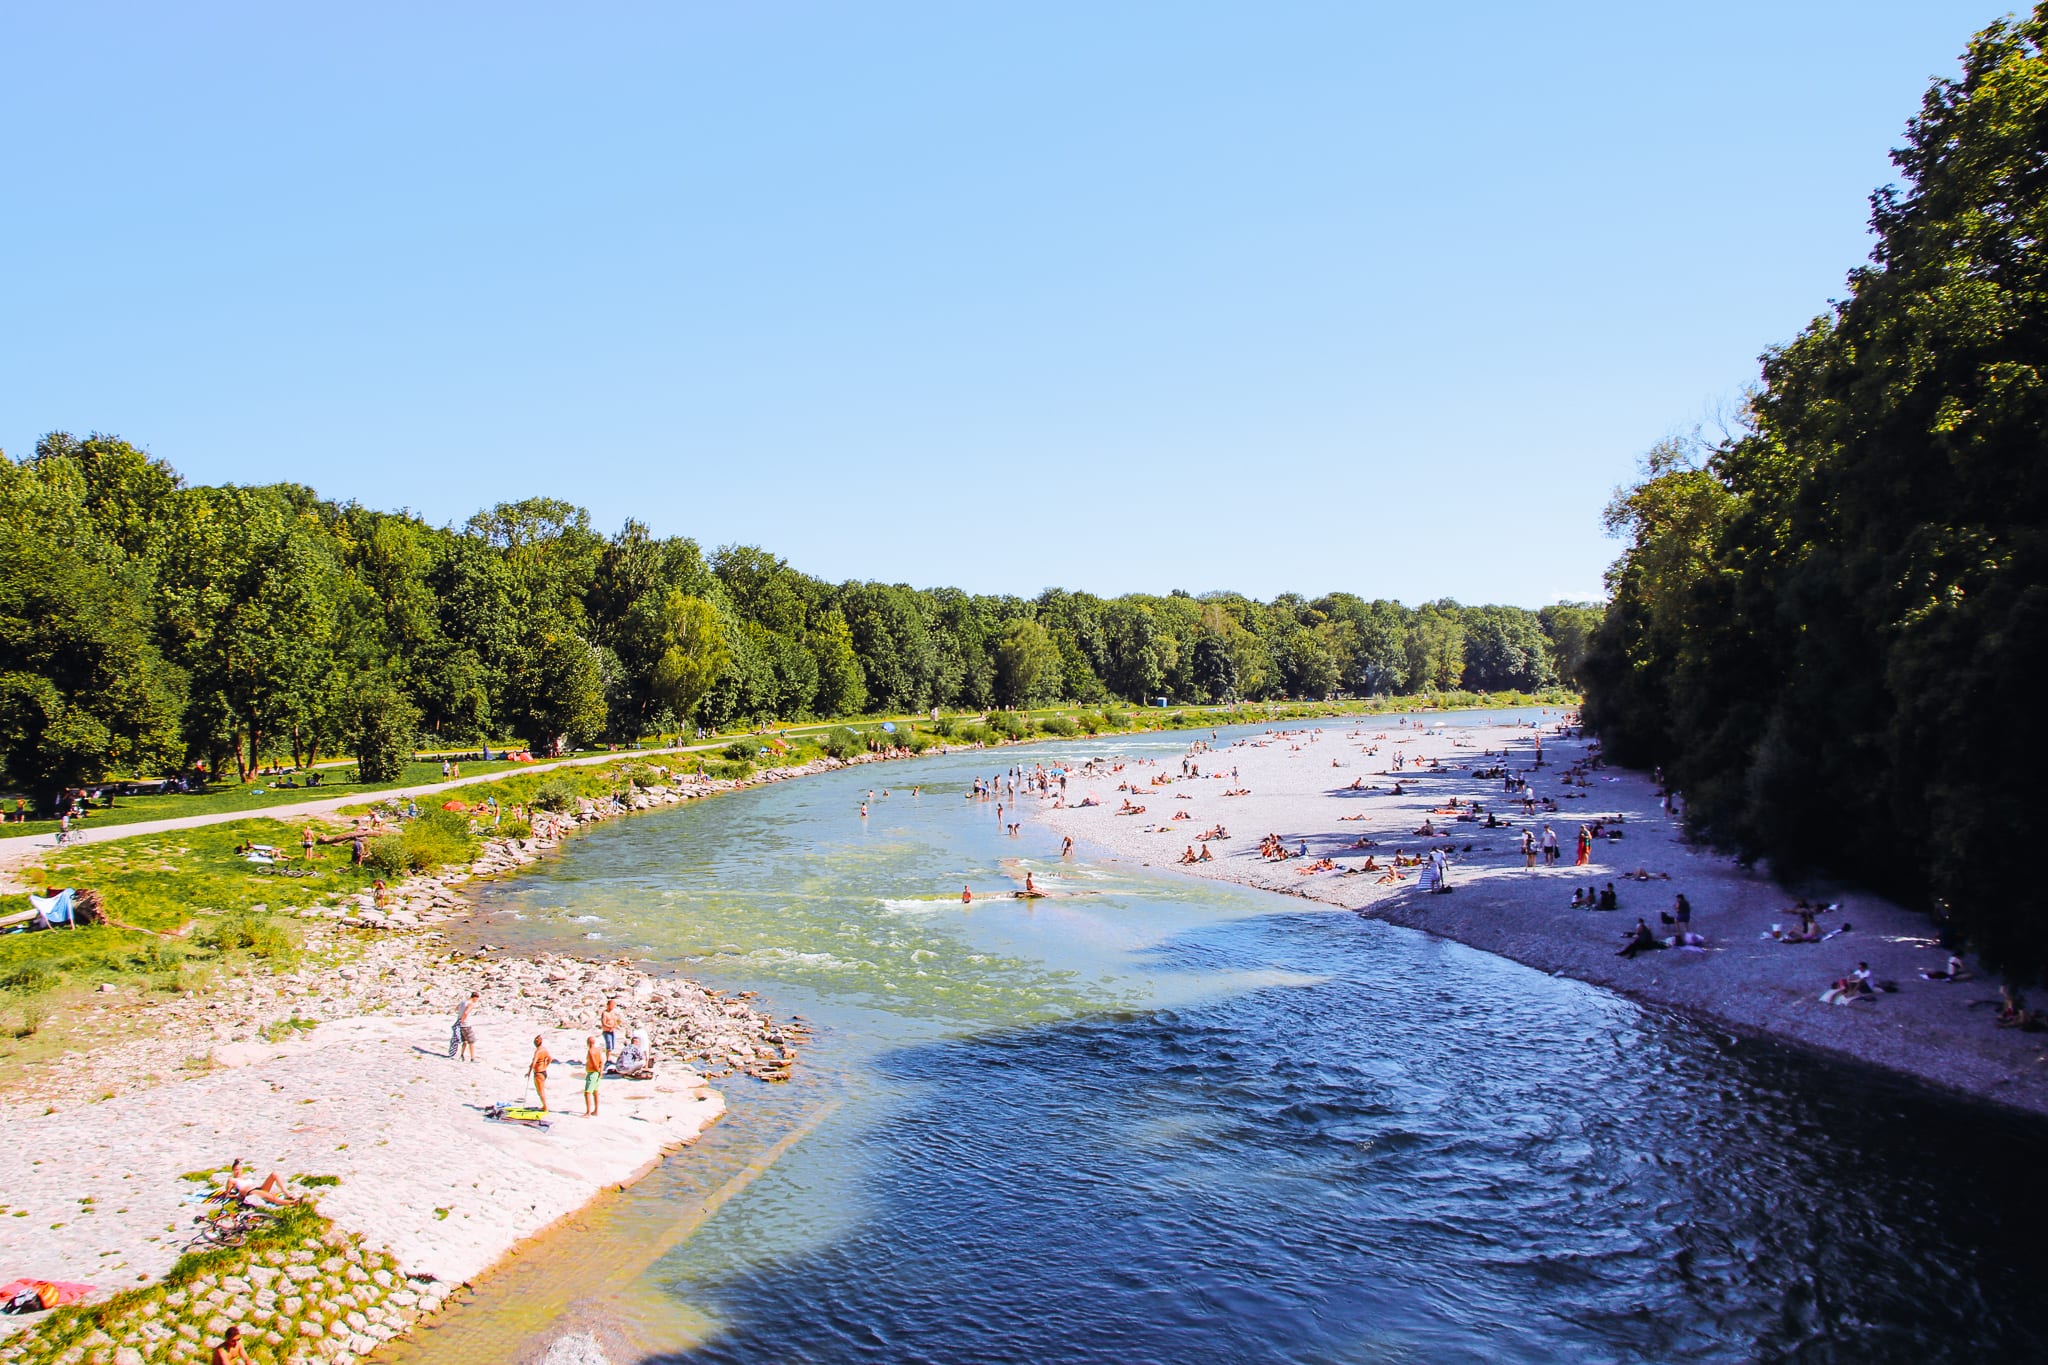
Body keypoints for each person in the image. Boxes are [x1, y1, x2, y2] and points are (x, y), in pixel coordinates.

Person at [224, 1160, 299, 1206]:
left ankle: (287, 1194)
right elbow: (227, 1195)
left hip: (258, 1189)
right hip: (251, 1192)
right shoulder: (232, 1179)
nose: (238, 1171)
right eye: (236, 1170)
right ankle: (292, 1203)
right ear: (233, 1170)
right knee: (272, 1198)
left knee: (274, 1174)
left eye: (239, 1169)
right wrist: (237, 1196)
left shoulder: (245, 1177)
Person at [528, 1034, 553, 1111]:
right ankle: (544, 1106)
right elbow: (550, 1059)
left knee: (540, 1091)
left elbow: (534, 1062)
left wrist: (529, 1072)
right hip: (543, 1072)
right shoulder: (544, 1049)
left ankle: (545, 1107)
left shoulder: (538, 1051)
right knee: (541, 1090)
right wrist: (545, 1066)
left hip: (538, 1073)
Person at [454, 991, 479, 1061]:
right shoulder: (470, 1004)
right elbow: (466, 1013)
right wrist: (462, 1020)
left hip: (460, 1025)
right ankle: (472, 1058)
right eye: (477, 999)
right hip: (466, 1025)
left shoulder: (463, 1002)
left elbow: (456, 1008)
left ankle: (462, 1055)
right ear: (475, 998)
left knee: (464, 1041)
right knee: (472, 1042)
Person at [584, 1034, 604, 1116]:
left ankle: (588, 1112)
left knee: (587, 1093)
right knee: (595, 1092)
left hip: (592, 1073)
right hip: (597, 1073)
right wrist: (601, 1071)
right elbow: (601, 1062)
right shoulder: (598, 1050)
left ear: (588, 1043)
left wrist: (597, 1070)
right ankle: (595, 1111)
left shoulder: (590, 1051)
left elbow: (594, 1063)